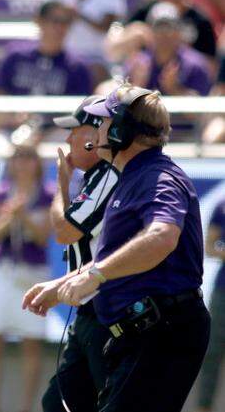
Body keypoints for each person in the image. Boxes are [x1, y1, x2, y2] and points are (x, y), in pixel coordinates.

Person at [48, 85, 210, 412]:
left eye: (105, 122)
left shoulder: (157, 178)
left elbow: (162, 237)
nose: (100, 130)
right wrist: (63, 282)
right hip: (143, 330)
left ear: (122, 130)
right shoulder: (134, 176)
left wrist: (94, 273)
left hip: (161, 331)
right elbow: (121, 255)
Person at [32, 96, 122, 412]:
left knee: (105, 400)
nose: (69, 139)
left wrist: (61, 184)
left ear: (97, 136)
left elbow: (66, 231)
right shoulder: (97, 176)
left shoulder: (108, 174)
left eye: (76, 131)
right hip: (89, 308)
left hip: (105, 308)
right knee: (60, 401)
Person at [0, 144, 53, 412]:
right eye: (18, 157)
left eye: (28, 157)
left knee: (32, 344)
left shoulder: (47, 194)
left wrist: (24, 217)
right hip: (2, 272)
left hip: (32, 275)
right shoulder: (0, 193)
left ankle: (26, 407)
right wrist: (11, 216)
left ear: (37, 162)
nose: (22, 163)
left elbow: (43, 236)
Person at [0, 1, 94, 96]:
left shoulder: (77, 67)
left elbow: (80, 107)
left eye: (66, 22)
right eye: (55, 21)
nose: (60, 27)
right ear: (39, 21)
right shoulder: (15, 57)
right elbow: (0, 95)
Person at [196, 198, 225, 412]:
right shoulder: (222, 206)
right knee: (213, 349)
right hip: (223, 289)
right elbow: (210, 246)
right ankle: (204, 406)